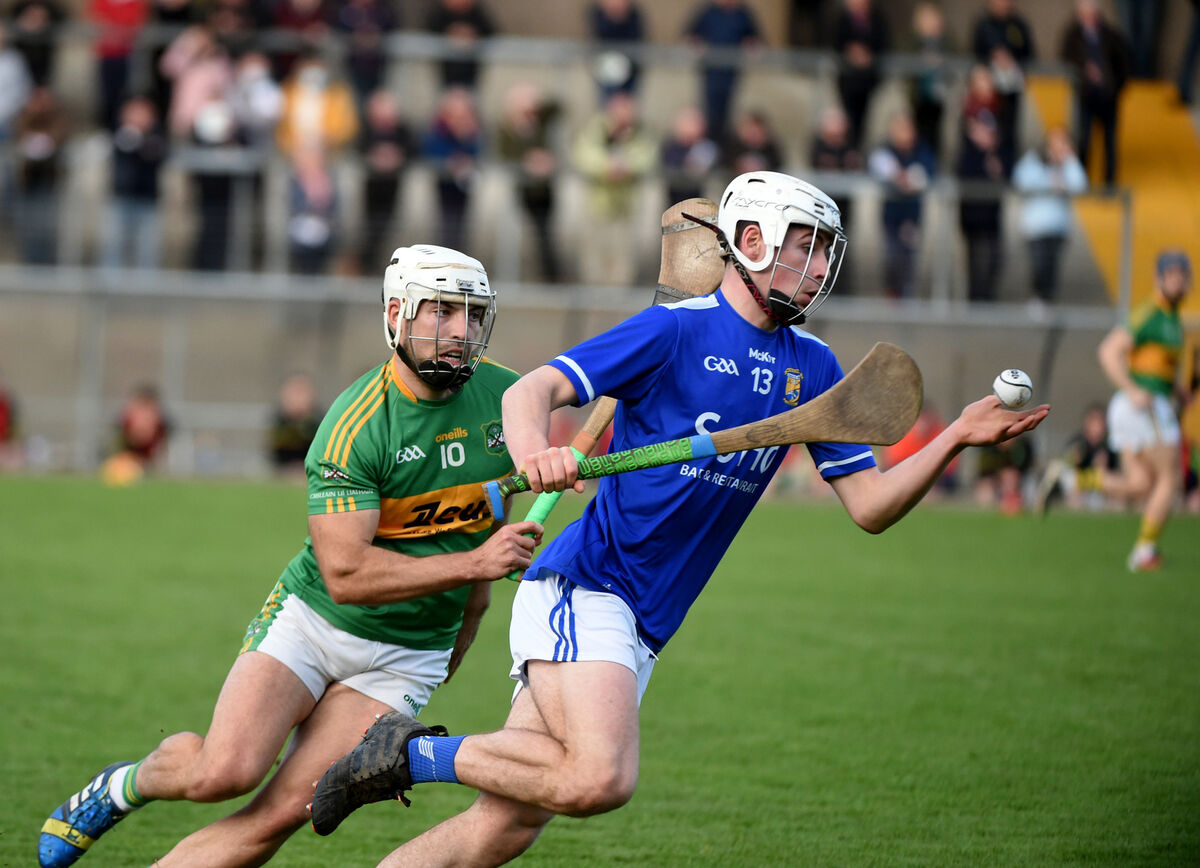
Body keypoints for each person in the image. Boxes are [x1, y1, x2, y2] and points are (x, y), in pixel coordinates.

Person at [308, 170, 1049, 865]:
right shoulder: (674, 331)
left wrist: (956, 438)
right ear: (751, 241)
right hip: (591, 586)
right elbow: (529, 391)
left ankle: (400, 764)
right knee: (600, 778)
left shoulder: (817, 368)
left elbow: (871, 506)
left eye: (827, 252)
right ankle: (408, 753)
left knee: (504, 824)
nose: (820, 268)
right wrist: (537, 453)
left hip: (649, 619)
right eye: (805, 247)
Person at [37, 245, 543, 868]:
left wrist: (555, 461)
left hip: (407, 658)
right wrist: (474, 565)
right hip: (314, 623)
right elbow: (347, 575)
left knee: (276, 817)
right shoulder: (355, 426)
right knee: (222, 773)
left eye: (473, 314)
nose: (461, 331)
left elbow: (549, 445)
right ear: (397, 314)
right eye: (442, 311)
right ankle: (125, 785)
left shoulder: (508, 396)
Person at [1094, 250, 1194, 570]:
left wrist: (1179, 391)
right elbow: (1109, 351)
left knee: (1141, 484)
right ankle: (1145, 550)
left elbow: (1160, 367)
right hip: (1144, 404)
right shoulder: (1149, 313)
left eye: (1182, 275)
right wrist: (1132, 389)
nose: (1177, 281)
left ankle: (1073, 480)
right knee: (1171, 478)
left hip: (1153, 401)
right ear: (1158, 278)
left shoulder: (1174, 319)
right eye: (1171, 275)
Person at [1011, 126, 1088, 309]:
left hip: (1058, 227)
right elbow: (1021, 181)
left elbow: (1081, 185)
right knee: (1039, 265)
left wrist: (1070, 160)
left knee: (1052, 266)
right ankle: (1038, 298)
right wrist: (1049, 182)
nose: (1059, 147)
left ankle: (1047, 301)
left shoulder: (1068, 165)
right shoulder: (1033, 160)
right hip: (1035, 227)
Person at [1059, 0, 1131, 188]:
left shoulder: (1110, 35)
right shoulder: (1072, 36)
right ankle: (1081, 182)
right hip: (1085, 97)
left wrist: (1115, 87)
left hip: (1108, 97)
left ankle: (1109, 185)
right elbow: (1065, 61)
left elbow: (1124, 64)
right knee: (1083, 141)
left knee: (1110, 143)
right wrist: (1084, 72)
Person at [868, 111, 935, 299]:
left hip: (911, 215)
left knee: (909, 259)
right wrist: (897, 176)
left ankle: (907, 297)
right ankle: (892, 294)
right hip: (891, 216)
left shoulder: (921, 151)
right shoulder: (885, 150)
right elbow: (878, 166)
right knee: (891, 257)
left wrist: (910, 179)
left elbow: (927, 173)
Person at [101, 94, 168, 271]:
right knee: (113, 247)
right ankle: (109, 285)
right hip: (121, 197)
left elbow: (157, 154)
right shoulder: (118, 132)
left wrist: (141, 139)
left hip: (148, 199)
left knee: (147, 250)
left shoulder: (158, 136)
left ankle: (146, 286)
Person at [683, 0, 762, 142]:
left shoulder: (743, 14)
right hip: (711, 73)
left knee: (729, 114)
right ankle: (709, 143)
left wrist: (752, 47)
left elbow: (755, 39)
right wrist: (696, 45)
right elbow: (690, 35)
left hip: (731, 74)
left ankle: (723, 145)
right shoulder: (707, 11)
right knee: (709, 113)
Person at [1034, 401, 1120, 513]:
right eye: (1095, 422)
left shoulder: (1108, 447)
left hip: (1097, 488)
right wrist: (1074, 460)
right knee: (1057, 469)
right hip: (1077, 484)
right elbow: (1065, 465)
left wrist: (1102, 467)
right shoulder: (1079, 443)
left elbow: (1113, 475)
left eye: (1101, 423)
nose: (1098, 427)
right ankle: (1043, 500)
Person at [267, 371, 323, 476]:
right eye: (294, 392)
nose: (298, 398)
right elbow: (275, 457)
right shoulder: (279, 423)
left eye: (302, 392)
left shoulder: (321, 423)